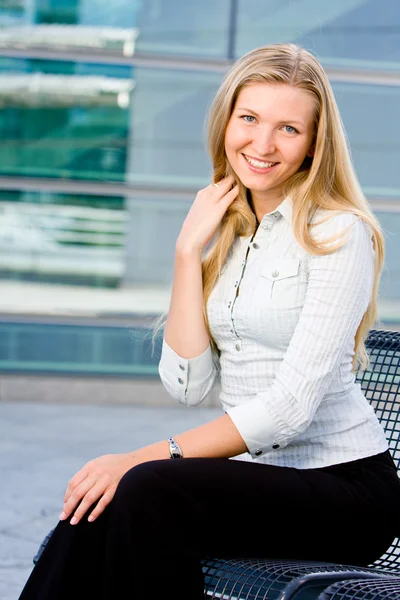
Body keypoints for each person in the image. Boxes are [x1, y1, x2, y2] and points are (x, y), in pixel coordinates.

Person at [18, 43, 400, 600]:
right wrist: (186, 252)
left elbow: (290, 411)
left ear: (315, 143)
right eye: (249, 119)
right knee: (102, 506)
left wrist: (138, 456)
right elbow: (188, 384)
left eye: (288, 129)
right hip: (256, 484)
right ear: (226, 122)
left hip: (344, 493)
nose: (262, 144)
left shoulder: (340, 235)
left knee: (145, 486)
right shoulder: (229, 231)